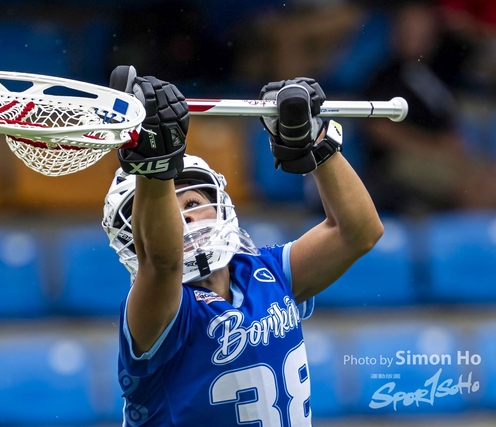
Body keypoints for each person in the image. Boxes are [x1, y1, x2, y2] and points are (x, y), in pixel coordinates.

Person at [102, 65, 384, 426]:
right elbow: (162, 262)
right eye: (169, 210)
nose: (183, 219)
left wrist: (316, 145)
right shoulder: (153, 310)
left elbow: (358, 232)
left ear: (218, 206)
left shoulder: (267, 272)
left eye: (192, 203)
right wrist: (154, 166)